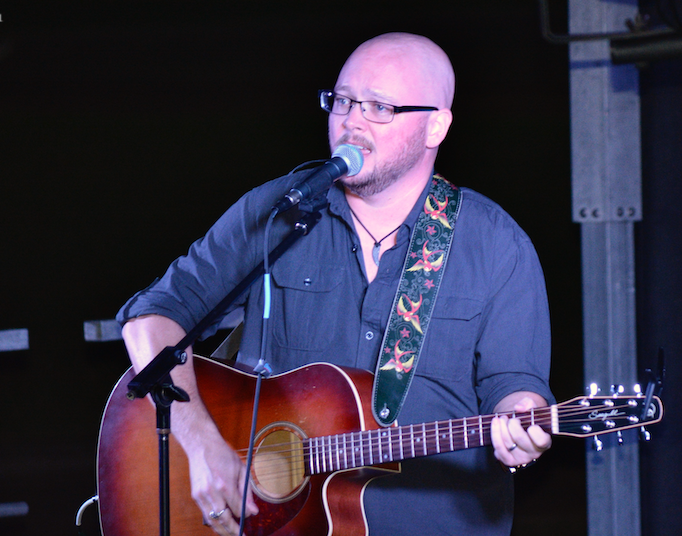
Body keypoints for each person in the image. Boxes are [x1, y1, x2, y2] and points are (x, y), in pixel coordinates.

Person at [117, 32, 554, 535]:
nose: (352, 121)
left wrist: (524, 424)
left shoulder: (496, 243)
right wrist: (203, 445)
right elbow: (150, 317)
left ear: (436, 125)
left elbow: (513, 388)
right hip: (275, 521)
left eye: (380, 108)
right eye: (343, 101)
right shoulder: (281, 211)